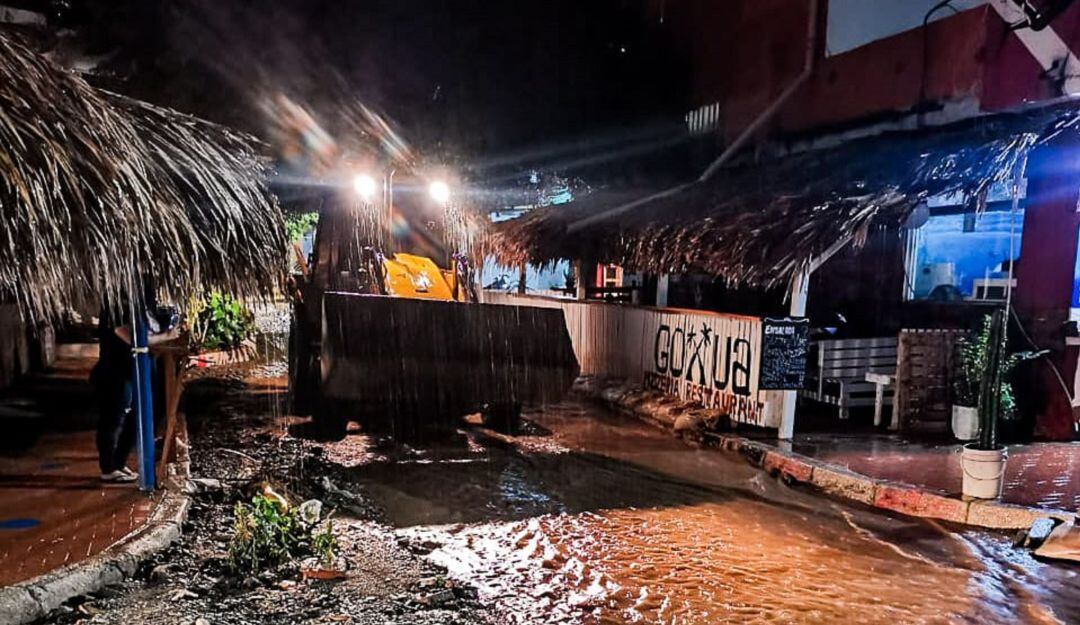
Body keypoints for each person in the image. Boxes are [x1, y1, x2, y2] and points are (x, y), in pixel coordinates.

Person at [91, 298, 179, 483]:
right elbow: (135, 339)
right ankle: (108, 468)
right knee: (114, 419)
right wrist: (167, 336)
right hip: (115, 372)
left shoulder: (139, 306)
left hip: (132, 371)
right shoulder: (114, 309)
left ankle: (118, 462)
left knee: (135, 417)